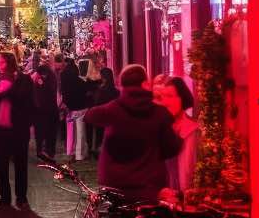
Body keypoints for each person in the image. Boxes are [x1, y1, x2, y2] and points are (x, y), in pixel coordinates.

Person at [84, 64, 184, 202]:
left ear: (122, 85)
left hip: (114, 183)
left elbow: (89, 116)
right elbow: (172, 148)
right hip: (148, 185)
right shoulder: (160, 113)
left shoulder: (114, 108)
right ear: (145, 84)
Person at [0, 52, 34, 209]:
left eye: (2, 62)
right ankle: (4, 196)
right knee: (1, 164)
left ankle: (21, 197)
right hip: (0, 128)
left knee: (20, 164)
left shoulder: (23, 80)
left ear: (9, 63)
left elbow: (23, 99)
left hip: (17, 128)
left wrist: (5, 91)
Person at [160, 76, 200, 195]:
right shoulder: (160, 128)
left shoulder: (192, 130)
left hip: (186, 197)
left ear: (182, 98)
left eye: (170, 96)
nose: (165, 102)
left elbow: (192, 170)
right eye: (163, 97)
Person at [60, 58, 90, 162]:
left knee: (71, 132)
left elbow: (64, 95)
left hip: (70, 109)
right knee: (80, 132)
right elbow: (87, 92)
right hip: (81, 108)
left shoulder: (64, 80)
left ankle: (71, 151)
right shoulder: (81, 81)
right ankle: (79, 154)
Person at [90, 67, 119, 155]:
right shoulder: (116, 91)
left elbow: (97, 103)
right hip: (113, 117)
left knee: (101, 136)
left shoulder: (101, 91)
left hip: (102, 117)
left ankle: (101, 152)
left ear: (103, 77)